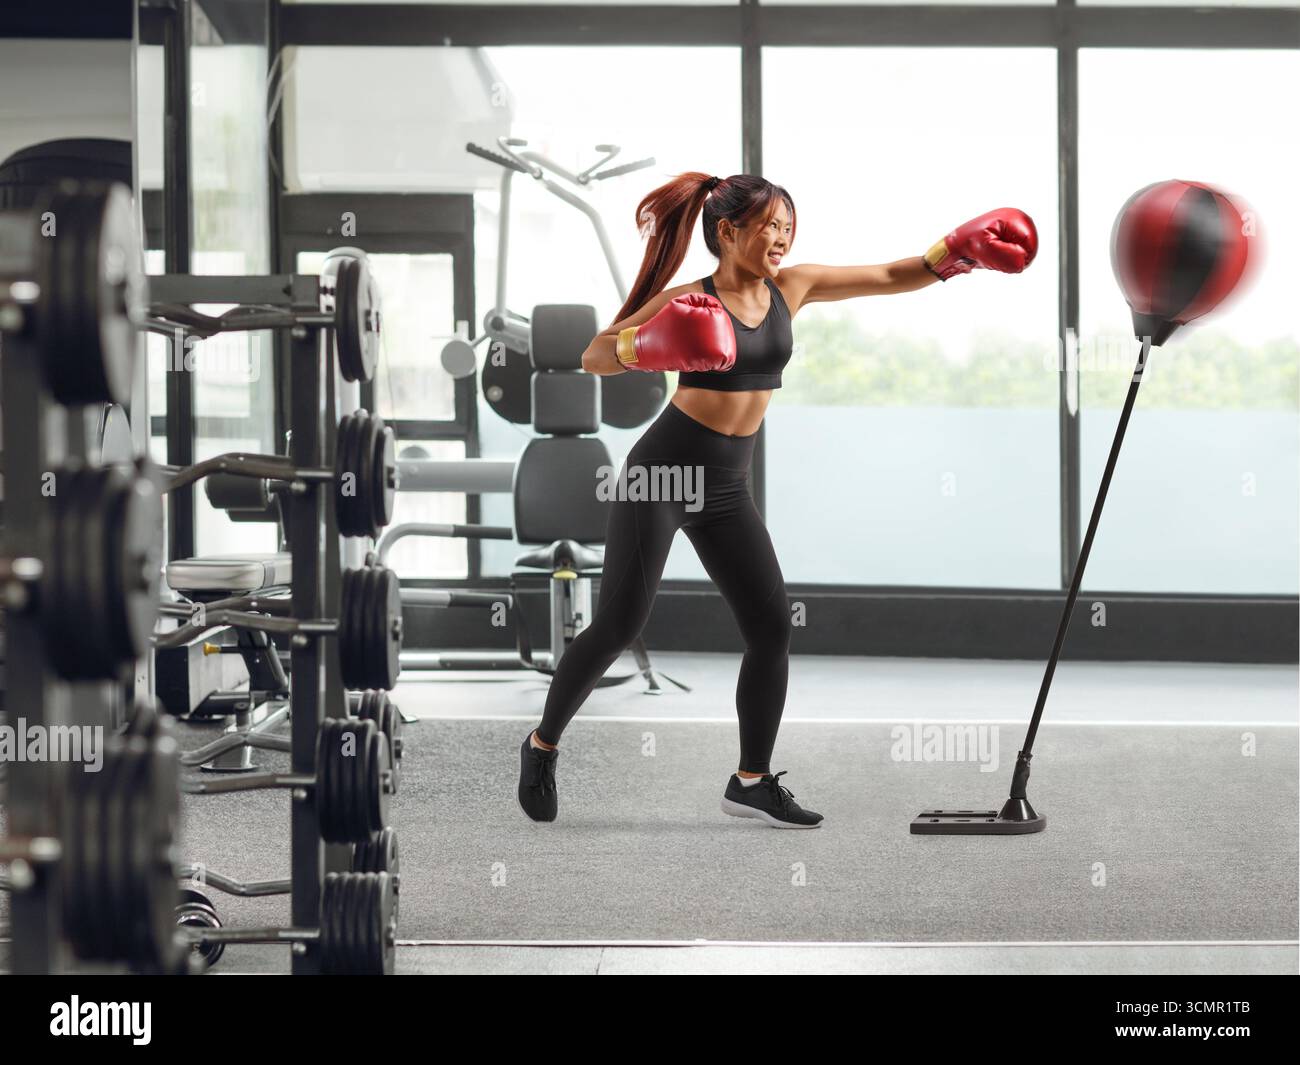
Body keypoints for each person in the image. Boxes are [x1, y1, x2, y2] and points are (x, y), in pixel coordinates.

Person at [518, 171, 1036, 827]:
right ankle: (541, 745)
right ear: (728, 231)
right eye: (770, 227)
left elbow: (885, 275)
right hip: (662, 476)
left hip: (727, 486)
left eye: (789, 228)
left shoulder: (793, 287)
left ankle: (751, 779)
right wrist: (643, 344)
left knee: (771, 628)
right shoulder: (688, 299)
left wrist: (952, 253)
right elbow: (594, 356)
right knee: (618, 626)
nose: (782, 240)